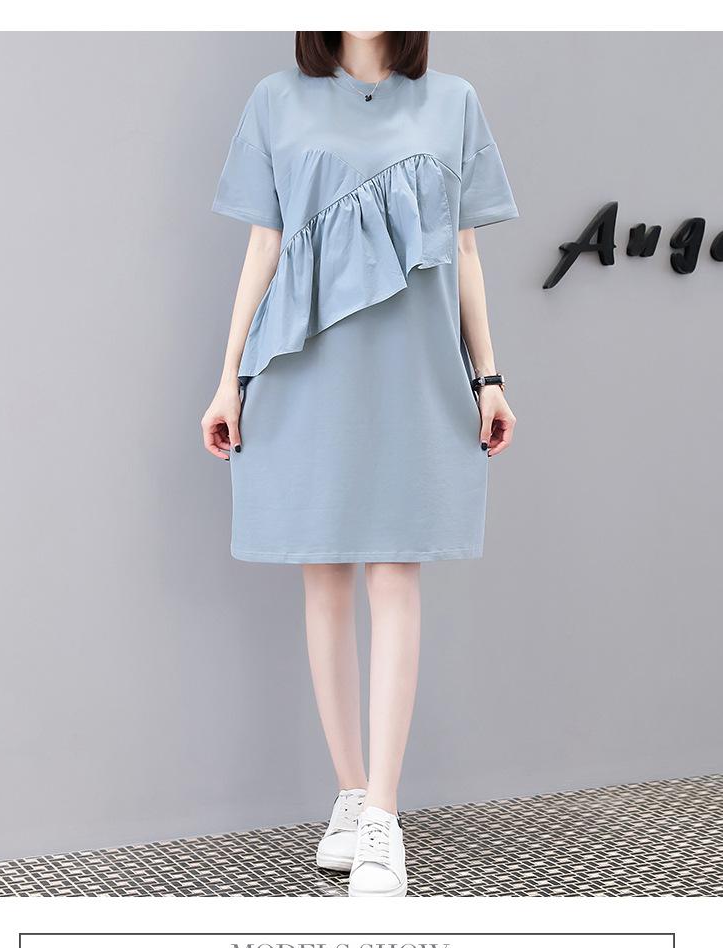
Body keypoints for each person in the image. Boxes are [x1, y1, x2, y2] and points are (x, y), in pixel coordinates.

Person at [202, 31, 518, 897]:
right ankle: (351, 794)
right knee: (325, 577)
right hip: (306, 368)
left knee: (397, 572)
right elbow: (263, 247)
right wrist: (228, 379)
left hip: (414, 374)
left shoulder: (453, 101)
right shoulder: (276, 99)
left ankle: (384, 815)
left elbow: (467, 252)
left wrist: (489, 376)